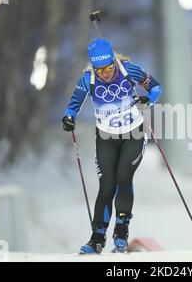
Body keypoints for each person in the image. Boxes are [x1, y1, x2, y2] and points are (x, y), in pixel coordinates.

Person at [62, 38, 162, 253]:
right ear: (93, 68)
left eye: (108, 68)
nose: (105, 74)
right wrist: (69, 117)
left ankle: (121, 233)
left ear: (114, 62)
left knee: (123, 178)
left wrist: (148, 100)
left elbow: (155, 87)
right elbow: (74, 104)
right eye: (100, 70)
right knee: (107, 185)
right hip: (106, 138)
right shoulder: (87, 79)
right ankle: (97, 238)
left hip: (133, 134)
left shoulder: (129, 70)